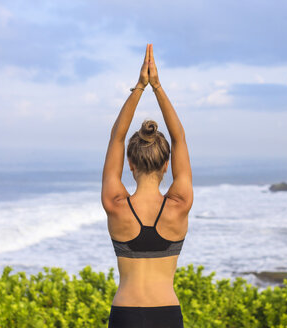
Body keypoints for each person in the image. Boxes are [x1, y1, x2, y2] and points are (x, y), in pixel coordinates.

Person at [101, 43, 193, 328]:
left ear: (130, 162)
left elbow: (117, 137)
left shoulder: (115, 205)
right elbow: (179, 139)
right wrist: (157, 87)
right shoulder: (179, 205)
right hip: (166, 314)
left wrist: (139, 87)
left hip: (125, 314)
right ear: (167, 165)